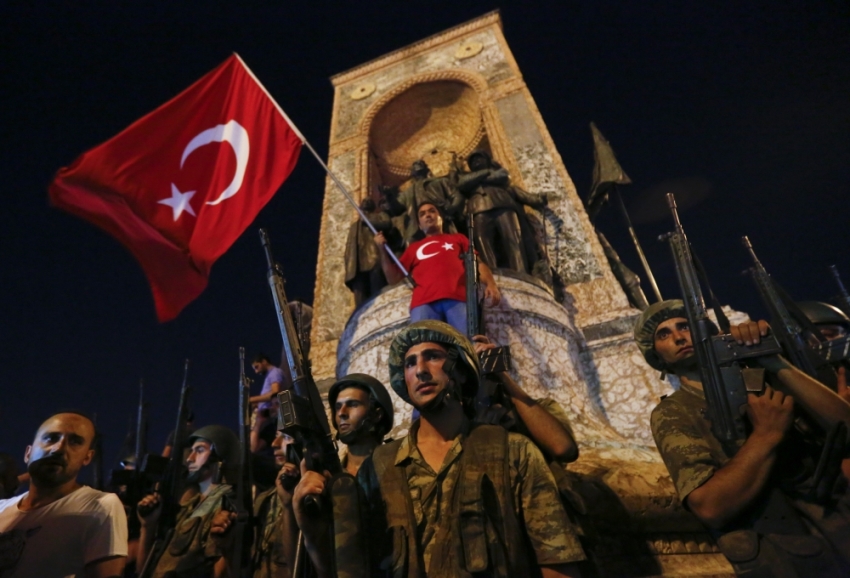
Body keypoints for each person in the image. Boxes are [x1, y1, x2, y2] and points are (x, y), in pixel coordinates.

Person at [294, 320, 586, 577]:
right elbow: (353, 566)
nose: (420, 370)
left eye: (433, 357)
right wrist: (312, 533)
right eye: (410, 363)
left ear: (460, 371)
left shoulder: (512, 451)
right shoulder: (381, 463)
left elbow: (556, 561)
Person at [638, 300, 850, 576]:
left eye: (686, 326)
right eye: (663, 334)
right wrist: (765, 435)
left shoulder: (761, 377)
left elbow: (844, 426)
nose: (679, 337)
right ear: (657, 356)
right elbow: (709, 506)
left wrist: (772, 359)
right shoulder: (674, 413)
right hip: (784, 554)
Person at [0, 411, 128, 577]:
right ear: (28, 453)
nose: (59, 448)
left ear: (87, 458)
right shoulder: (2, 509)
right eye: (51, 438)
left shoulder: (100, 506)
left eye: (75, 441)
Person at [376, 202, 501, 334]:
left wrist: (490, 284)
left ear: (440, 218)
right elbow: (393, 278)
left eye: (432, 211)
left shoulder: (458, 239)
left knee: (467, 346)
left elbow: (477, 263)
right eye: (422, 214)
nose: (428, 215)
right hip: (423, 303)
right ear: (419, 224)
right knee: (424, 347)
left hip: (458, 299)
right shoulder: (413, 248)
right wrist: (382, 250)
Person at [137, 425, 239, 578]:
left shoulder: (226, 508)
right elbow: (144, 570)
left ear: (219, 457)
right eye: (191, 451)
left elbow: (221, 573)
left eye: (199, 450)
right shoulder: (188, 507)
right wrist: (148, 526)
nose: (189, 458)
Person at [457, 150, 550, 275]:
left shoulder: (501, 177)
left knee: (513, 241)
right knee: (483, 243)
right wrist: (486, 173)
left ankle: (521, 274)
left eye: (480, 159)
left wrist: (539, 199)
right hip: (478, 210)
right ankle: (492, 277)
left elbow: (503, 175)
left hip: (504, 206)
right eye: (473, 161)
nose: (476, 162)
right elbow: (462, 183)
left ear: (488, 160)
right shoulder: (470, 177)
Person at [250, 431, 300, 578]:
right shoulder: (266, 499)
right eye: (276, 435)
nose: (274, 444)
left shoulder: (317, 492)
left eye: (286, 436)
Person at [327, 374, 395, 476]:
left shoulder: (397, 467)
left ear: (377, 415)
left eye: (353, 405)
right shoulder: (330, 476)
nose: (341, 413)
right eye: (338, 407)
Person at [250, 355, 285, 453]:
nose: (256, 371)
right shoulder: (269, 376)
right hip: (267, 419)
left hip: (274, 417)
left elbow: (275, 392)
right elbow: (253, 449)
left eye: (257, 367)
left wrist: (251, 399)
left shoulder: (274, 372)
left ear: (264, 361)